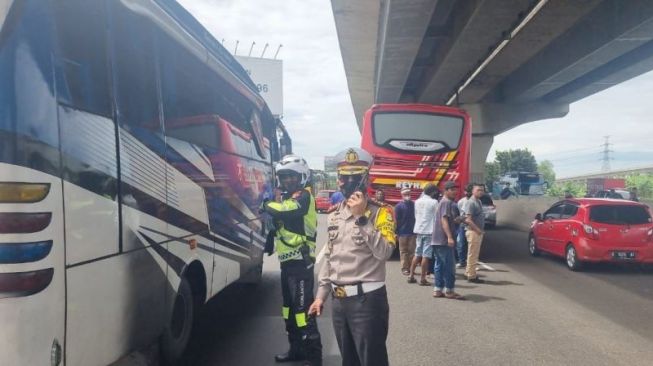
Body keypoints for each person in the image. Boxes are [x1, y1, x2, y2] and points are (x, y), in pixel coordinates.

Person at [308, 147, 396, 366]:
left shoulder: (381, 212)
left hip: (367, 302)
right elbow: (331, 256)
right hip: (339, 302)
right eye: (343, 178)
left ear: (365, 180)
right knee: (348, 361)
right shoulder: (335, 214)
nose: (347, 182)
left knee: (372, 361)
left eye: (354, 178)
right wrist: (321, 296)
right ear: (338, 181)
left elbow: (384, 252)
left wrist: (361, 218)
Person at [262, 154, 322, 365]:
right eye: (284, 177)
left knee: (303, 313)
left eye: (292, 177)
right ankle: (296, 350)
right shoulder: (288, 198)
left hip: (300, 263)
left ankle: (314, 359)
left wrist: (267, 204)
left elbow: (287, 212)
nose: (287, 181)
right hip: (287, 264)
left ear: (302, 177)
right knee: (288, 310)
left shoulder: (303, 197)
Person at [431, 181, 465, 299]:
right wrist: (450, 237)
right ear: (445, 191)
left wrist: (459, 220)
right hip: (443, 240)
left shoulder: (445, 203)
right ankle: (449, 291)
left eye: (455, 189)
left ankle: (438, 289)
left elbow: (450, 220)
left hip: (437, 239)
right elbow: (444, 221)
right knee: (449, 266)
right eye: (452, 189)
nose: (455, 191)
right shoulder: (446, 202)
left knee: (439, 265)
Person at [408, 183, 439, 285]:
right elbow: (437, 217)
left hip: (419, 230)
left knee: (417, 254)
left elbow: (416, 215)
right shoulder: (434, 202)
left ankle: (411, 276)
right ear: (433, 192)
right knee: (426, 255)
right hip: (429, 231)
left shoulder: (417, 201)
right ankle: (422, 279)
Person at [463, 183, 486, 283]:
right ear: (472, 191)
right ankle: (472, 276)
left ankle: (468, 272)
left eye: (482, 190)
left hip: (477, 231)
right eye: (478, 190)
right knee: (473, 254)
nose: (480, 192)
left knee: (473, 254)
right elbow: (468, 219)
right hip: (473, 232)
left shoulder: (479, 201)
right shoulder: (471, 202)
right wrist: (478, 230)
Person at [395, 187, 416, 275]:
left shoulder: (414, 205)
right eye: (405, 194)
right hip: (402, 232)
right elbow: (396, 220)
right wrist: (396, 232)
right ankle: (404, 268)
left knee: (412, 251)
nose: (407, 196)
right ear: (402, 195)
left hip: (412, 232)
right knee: (403, 251)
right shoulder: (398, 206)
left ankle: (411, 268)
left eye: (408, 194)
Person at [455, 184, 473, 269]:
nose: (467, 193)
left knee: (471, 245)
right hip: (462, 226)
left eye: (469, 191)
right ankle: (462, 261)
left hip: (472, 226)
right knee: (461, 244)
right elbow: (458, 214)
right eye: (466, 191)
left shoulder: (475, 201)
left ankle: (470, 263)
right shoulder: (461, 201)